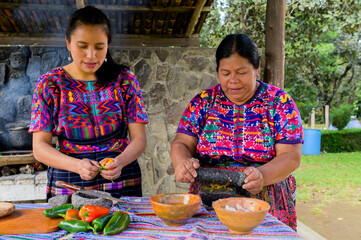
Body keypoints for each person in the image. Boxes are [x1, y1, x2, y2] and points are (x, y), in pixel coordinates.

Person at [170, 33, 303, 230]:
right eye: (225, 73)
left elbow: (291, 156)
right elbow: (181, 143)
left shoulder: (279, 103)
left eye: (241, 72)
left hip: (265, 206)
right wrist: (182, 162)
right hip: (209, 206)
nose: (233, 80)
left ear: (257, 68)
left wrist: (262, 176)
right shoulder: (203, 102)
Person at [29, 6, 148, 200]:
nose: (91, 55)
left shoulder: (124, 80)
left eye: (99, 47)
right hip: (69, 183)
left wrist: (120, 161)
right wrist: (76, 165)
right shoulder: (50, 84)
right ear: (68, 43)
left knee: (125, 229)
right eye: (82, 46)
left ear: (108, 45)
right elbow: (40, 148)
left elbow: (139, 139)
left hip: (122, 180)